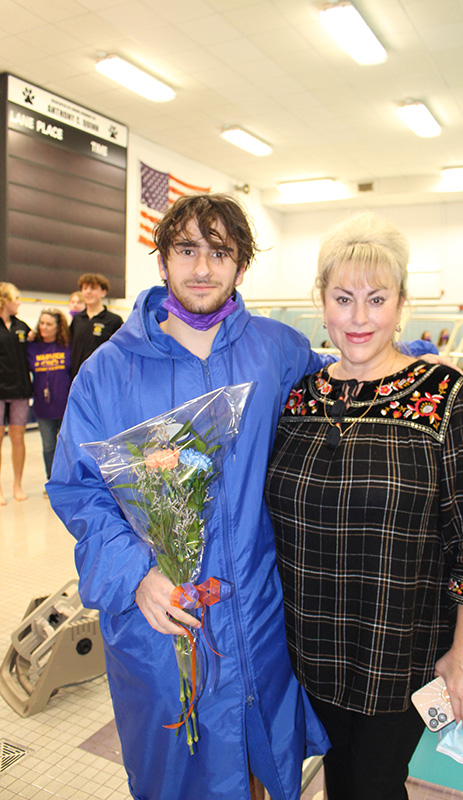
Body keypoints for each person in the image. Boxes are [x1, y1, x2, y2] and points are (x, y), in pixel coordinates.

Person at [47, 195, 441, 800]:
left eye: (219, 252)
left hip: (260, 620)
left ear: (239, 266)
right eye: (186, 250)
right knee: (175, 776)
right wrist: (135, 575)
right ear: (162, 262)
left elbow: (346, 368)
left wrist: (414, 360)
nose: (202, 267)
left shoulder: (274, 350)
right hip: (163, 622)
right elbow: (77, 489)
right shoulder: (108, 371)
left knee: (262, 768)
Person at [265, 211, 463, 800]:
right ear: (319, 302)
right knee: (339, 780)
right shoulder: (300, 397)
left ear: (401, 303)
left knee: (374, 785)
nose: (358, 318)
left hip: (396, 650)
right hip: (310, 647)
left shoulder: (444, 397)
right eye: (343, 297)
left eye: (376, 299)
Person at [27, 309, 72, 488]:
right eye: (42, 323)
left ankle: (68, 481)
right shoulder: (31, 347)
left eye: (49, 324)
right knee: (48, 447)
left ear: (58, 327)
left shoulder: (68, 346)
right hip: (42, 407)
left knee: (66, 447)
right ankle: (52, 481)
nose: (43, 327)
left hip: (66, 406)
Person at [0, 282, 32, 504]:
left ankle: (17, 485)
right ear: (5, 300)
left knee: (18, 438)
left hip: (20, 390)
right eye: (16, 298)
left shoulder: (22, 327)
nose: (19, 302)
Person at [70, 273, 123, 377]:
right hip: (78, 377)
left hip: (103, 377)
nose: (88, 291)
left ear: (103, 292)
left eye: (93, 288)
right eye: (85, 288)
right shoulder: (77, 319)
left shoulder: (114, 320)